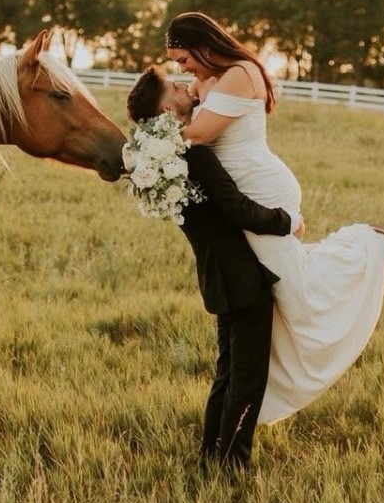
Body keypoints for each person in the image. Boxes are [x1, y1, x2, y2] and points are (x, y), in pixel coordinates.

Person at [165, 11, 384, 425]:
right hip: (237, 193)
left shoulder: (241, 73)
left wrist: (148, 140)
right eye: (177, 63)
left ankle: (370, 243)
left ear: (205, 47)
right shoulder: (205, 79)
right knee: (274, 290)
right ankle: (239, 407)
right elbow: (175, 101)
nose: (181, 69)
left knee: (296, 288)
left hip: (262, 190)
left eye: (183, 59)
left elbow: (197, 134)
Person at [125, 68, 298, 470]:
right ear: (168, 108)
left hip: (218, 275)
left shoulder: (168, 159)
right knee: (247, 379)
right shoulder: (195, 154)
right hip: (242, 276)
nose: (185, 86)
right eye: (175, 87)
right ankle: (232, 466)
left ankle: (211, 456)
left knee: (229, 372)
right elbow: (236, 208)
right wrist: (287, 222)